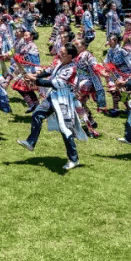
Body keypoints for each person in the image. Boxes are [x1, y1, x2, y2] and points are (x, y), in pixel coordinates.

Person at [15, 42, 88, 172]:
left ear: (70, 56)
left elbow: (55, 83)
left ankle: (74, 159)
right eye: (61, 52)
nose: (60, 54)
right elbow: (48, 71)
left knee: (65, 129)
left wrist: (35, 81)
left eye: (63, 54)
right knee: (37, 114)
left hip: (63, 100)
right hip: (53, 97)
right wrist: (35, 76)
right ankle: (31, 142)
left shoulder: (71, 69)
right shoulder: (61, 63)